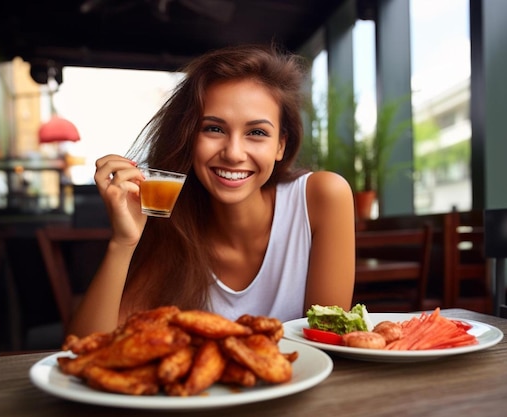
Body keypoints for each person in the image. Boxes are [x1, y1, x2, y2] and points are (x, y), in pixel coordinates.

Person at [68, 44, 356, 337]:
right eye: (214, 129)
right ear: (189, 137)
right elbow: (84, 348)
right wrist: (123, 242)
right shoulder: (176, 223)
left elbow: (328, 338)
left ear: (280, 145)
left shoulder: (321, 197)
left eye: (256, 133)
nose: (233, 153)